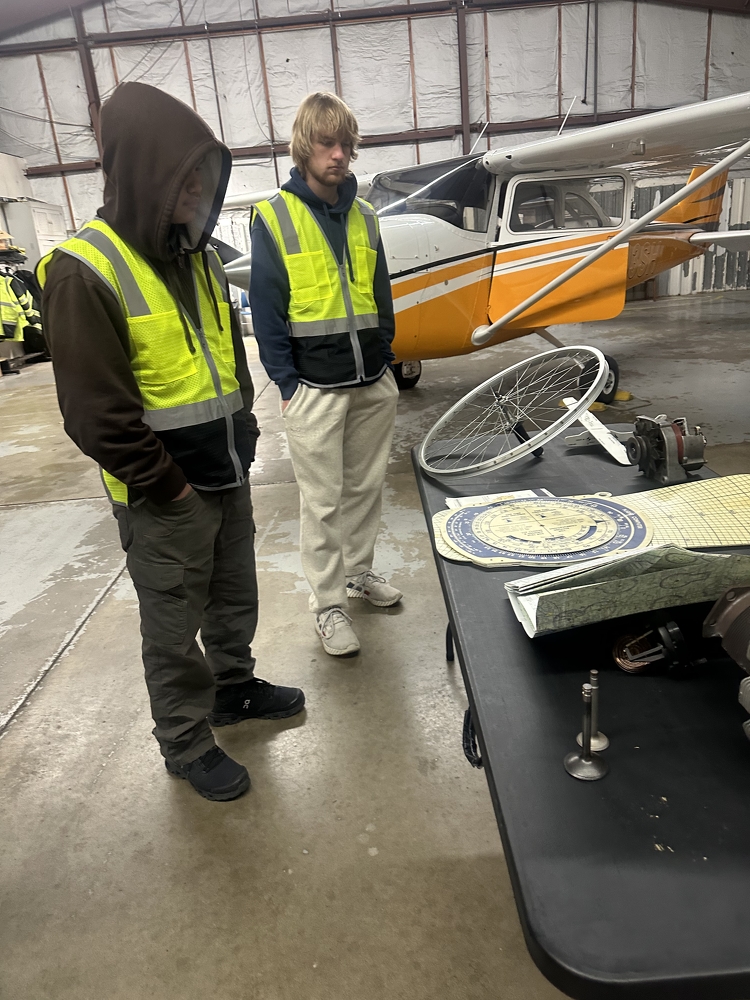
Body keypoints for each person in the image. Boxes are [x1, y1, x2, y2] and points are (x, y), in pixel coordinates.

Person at [38, 82, 304, 802]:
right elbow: (95, 416)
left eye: (205, 176)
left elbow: (228, 360)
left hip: (226, 471)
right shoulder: (82, 271)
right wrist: (171, 487)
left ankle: (234, 689)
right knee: (172, 625)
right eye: (184, 175)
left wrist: (245, 432)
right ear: (141, 172)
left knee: (232, 598)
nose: (198, 191)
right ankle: (185, 742)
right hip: (163, 496)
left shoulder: (200, 258)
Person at [250, 92, 401, 659]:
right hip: (313, 388)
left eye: (346, 144)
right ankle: (328, 605)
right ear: (304, 146)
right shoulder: (274, 216)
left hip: (370, 381)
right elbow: (266, 308)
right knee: (322, 503)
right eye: (326, 143)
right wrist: (287, 383)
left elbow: (381, 295)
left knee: (364, 489)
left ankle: (358, 575)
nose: (338, 154)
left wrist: (385, 358)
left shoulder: (366, 216)